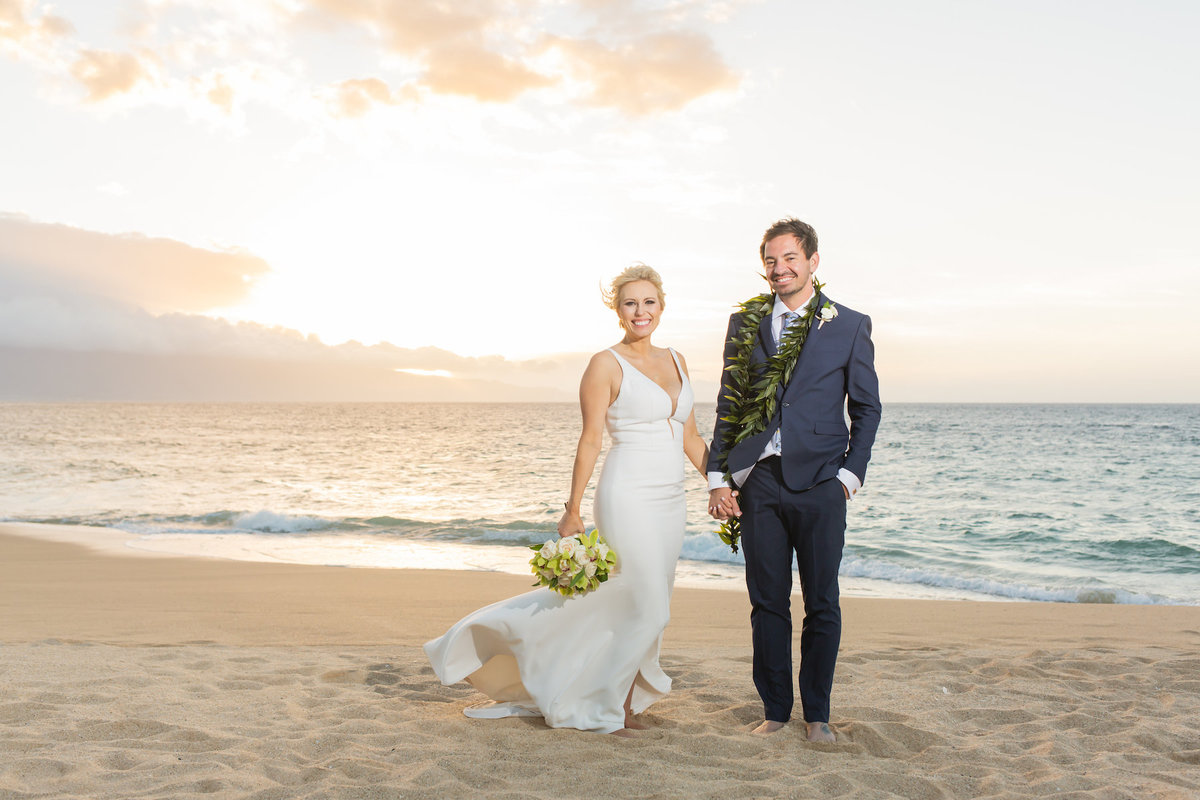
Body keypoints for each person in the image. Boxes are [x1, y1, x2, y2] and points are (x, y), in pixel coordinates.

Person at [424, 265, 710, 736]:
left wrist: (721, 485)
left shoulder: (677, 359)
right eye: (630, 303)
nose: (641, 312)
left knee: (648, 602)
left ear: (662, 305)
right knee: (649, 605)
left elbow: (692, 436)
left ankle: (625, 702)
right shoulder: (605, 363)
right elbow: (591, 439)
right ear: (617, 310)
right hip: (628, 495)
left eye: (649, 302)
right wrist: (573, 509)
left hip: (671, 500)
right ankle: (598, 707)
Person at [707, 218, 881, 743]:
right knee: (767, 602)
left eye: (789, 259)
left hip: (822, 483)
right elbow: (729, 403)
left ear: (812, 262)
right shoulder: (745, 323)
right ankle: (776, 711)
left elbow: (867, 408)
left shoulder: (848, 324)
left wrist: (849, 476)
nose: (779, 270)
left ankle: (819, 716)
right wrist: (719, 477)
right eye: (770, 261)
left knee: (822, 601)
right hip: (761, 480)